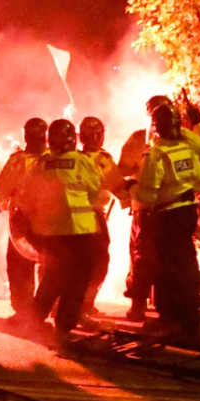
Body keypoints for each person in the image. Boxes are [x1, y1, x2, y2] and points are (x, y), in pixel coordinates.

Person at [118, 94, 200, 321]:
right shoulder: (183, 137)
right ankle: (186, 308)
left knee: (145, 258)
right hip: (177, 208)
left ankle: (143, 307)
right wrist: (199, 122)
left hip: (147, 208)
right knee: (181, 258)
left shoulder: (141, 141)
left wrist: (135, 181)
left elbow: (123, 170)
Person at [18, 119, 100, 345]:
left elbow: (27, 194)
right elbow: (95, 192)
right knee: (77, 281)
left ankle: (33, 322)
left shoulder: (42, 164)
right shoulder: (80, 161)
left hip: (51, 232)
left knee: (52, 278)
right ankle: (64, 327)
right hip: (78, 231)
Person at [0, 118, 47, 324]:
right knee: (45, 263)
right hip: (46, 219)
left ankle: (26, 310)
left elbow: (3, 188)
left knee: (21, 264)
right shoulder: (52, 157)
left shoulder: (18, 160)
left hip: (25, 218)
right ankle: (42, 309)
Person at [78, 116, 129, 317]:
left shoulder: (73, 158)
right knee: (99, 261)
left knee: (75, 263)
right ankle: (85, 304)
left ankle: (69, 303)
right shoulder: (102, 159)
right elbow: (118, 187)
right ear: (99, 136)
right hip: (93, 219)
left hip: (68, 220)